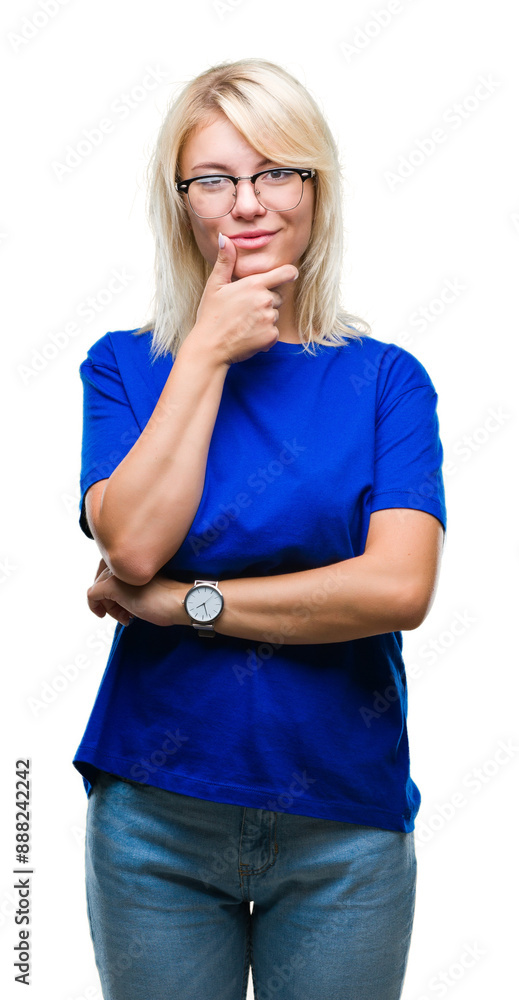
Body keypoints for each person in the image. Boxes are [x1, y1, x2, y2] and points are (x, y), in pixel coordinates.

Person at [74, 58, 446, 1000]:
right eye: (214, 179)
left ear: (318, 188)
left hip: (342, 822)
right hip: (155, 816)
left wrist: (182, 604)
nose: (247, 202)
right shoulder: (122, 368)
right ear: (181, 202)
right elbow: (133, 546)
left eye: (277, 171)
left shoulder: (385, 379)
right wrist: (204, 349)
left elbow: (395, 590)